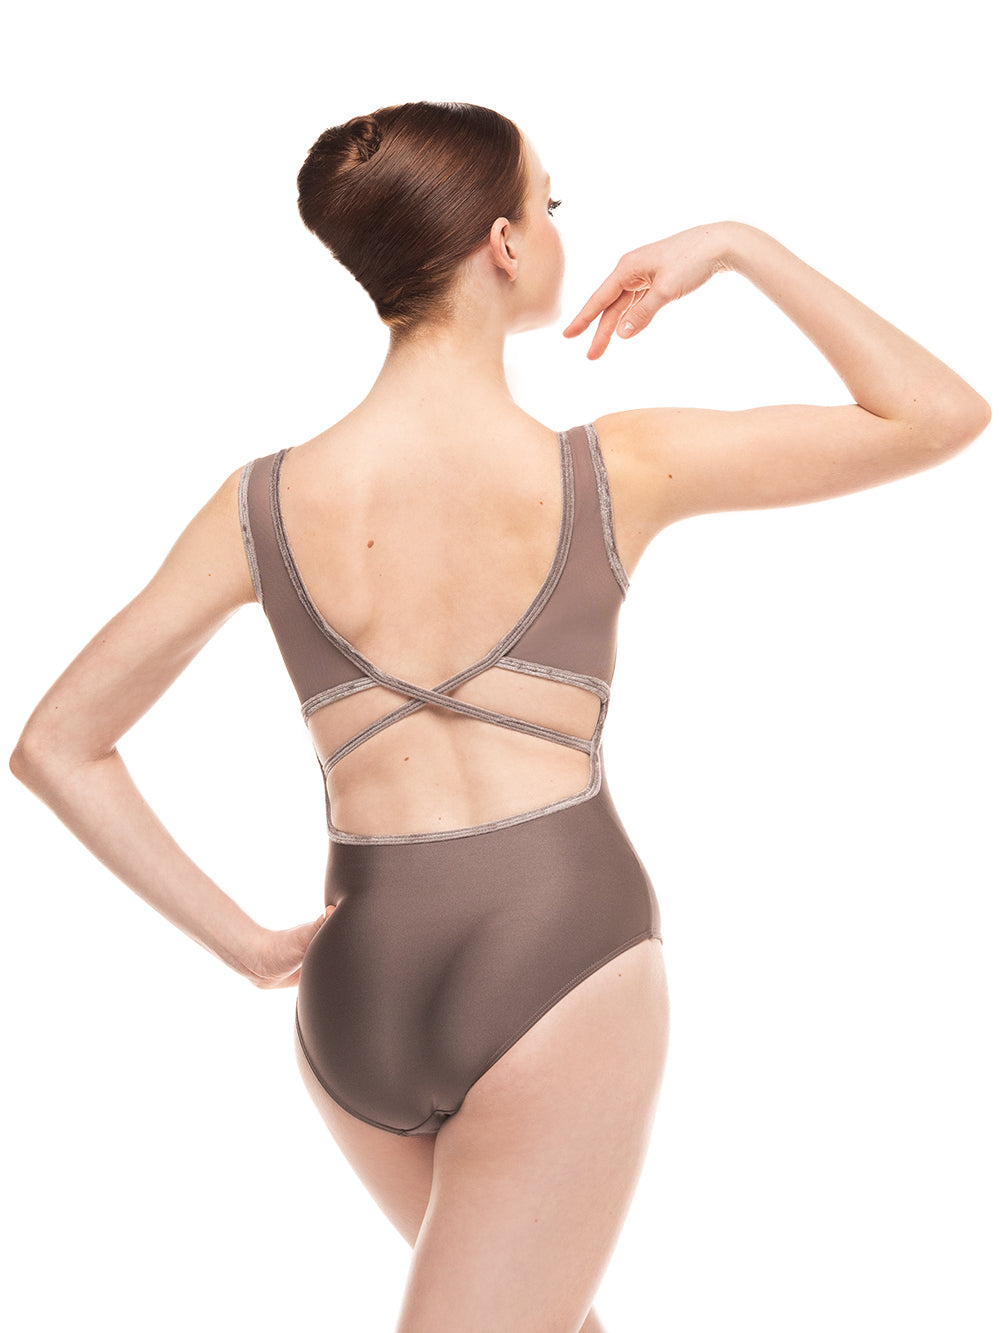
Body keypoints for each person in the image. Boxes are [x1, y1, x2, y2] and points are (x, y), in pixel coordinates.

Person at [9, 100, 990, 1333]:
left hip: (356, 990)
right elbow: (935, 414)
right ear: (505, 245)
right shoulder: (611, 470)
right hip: (556, 965)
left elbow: (57, 743)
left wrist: (244, 945)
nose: (559, 228)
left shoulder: (257, 505)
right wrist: (736, 246)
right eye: (550, 203)